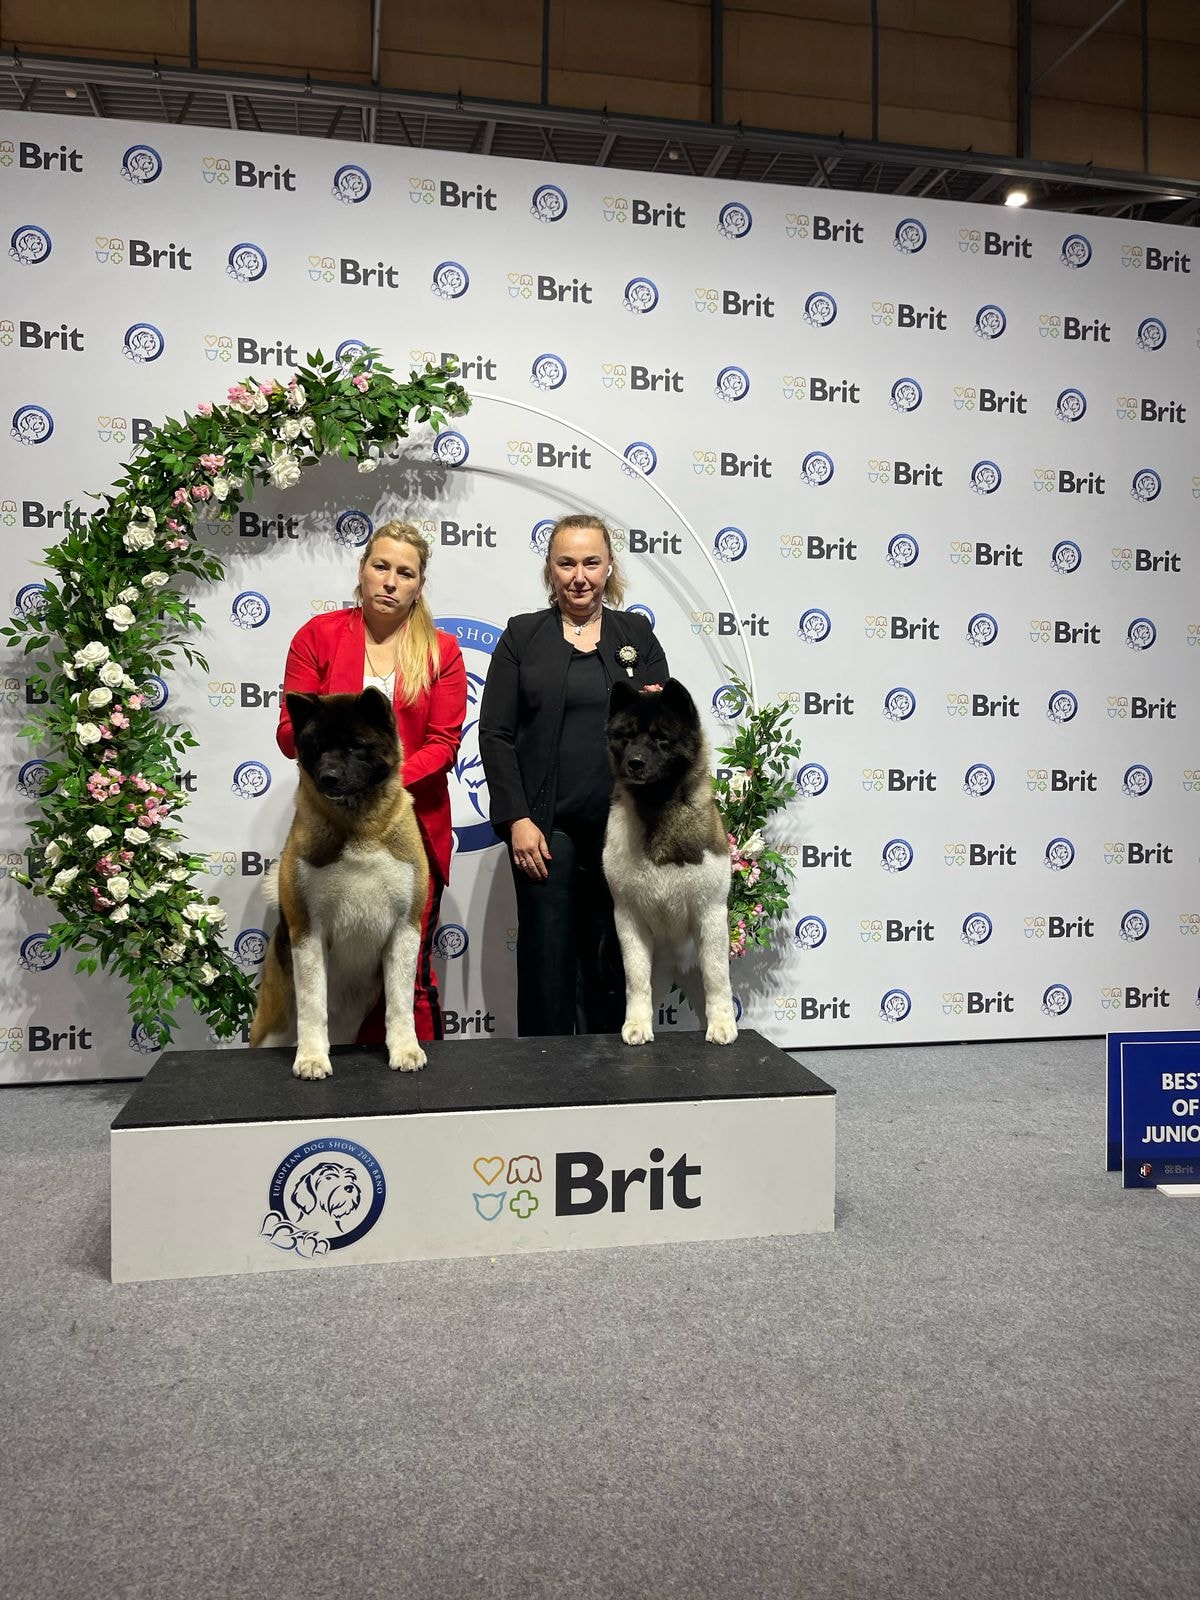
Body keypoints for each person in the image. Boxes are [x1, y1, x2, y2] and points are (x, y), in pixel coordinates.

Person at [275, 520, 467, 1041]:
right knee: (321, 964)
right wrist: (324, 751)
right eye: (381, 566)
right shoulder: (316, 636)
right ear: (361, 569)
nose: (390, 581)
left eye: (405, 573)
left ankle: (415, 1074)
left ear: (419, 585)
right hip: (328, 827)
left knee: (410, 975)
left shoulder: (442, 650)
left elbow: (444, 744)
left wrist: (383, 785)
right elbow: (289, 734)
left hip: (412, 828)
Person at [478, 513, 669, 1036]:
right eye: (566, 563)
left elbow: (664, 734)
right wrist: (516, 818)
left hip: (621, 831)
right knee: (546, 962)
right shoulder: (522, 636)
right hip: (544, 831)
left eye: (591, 562)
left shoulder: (637, 635)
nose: (579, 576)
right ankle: (544, 1071)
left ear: (609, 567)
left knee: (614, 956)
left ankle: (614, 1069)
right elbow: (495, 734)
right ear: (550, 568)